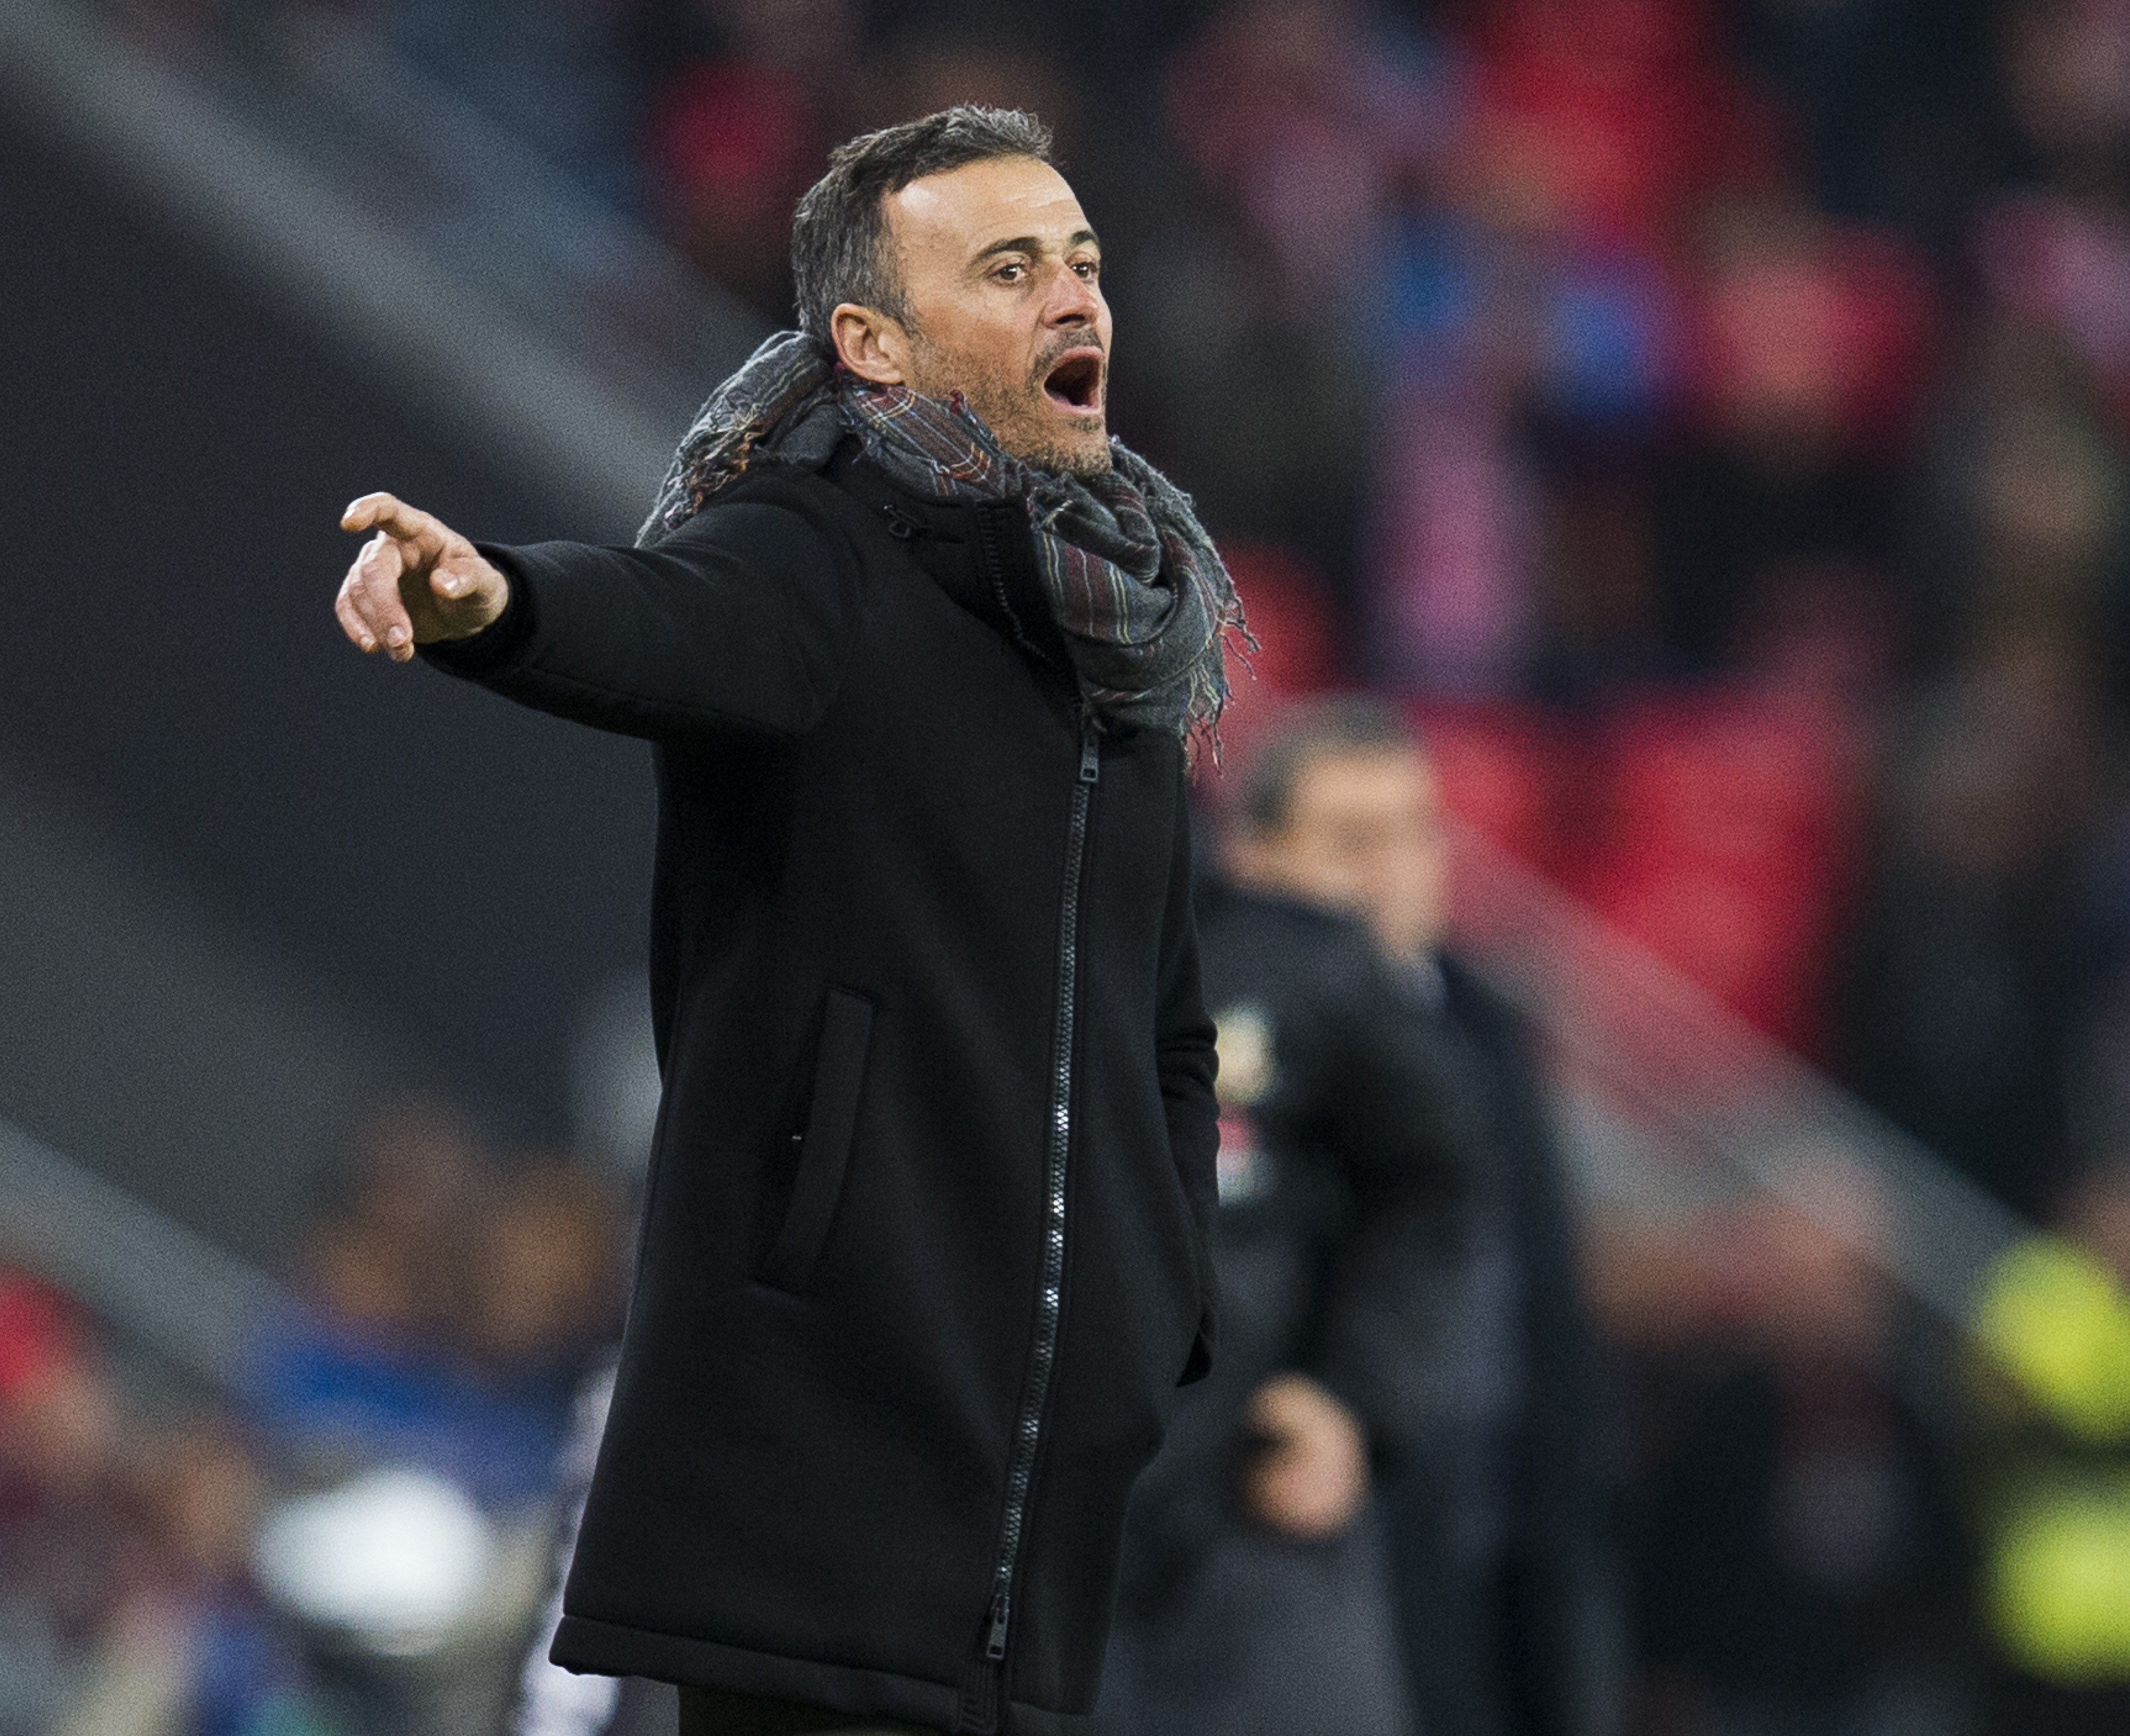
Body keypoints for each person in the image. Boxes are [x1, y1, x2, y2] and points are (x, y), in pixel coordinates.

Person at [329, 106, 1238, 1736]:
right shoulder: (815, 548)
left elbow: (1166, 1025)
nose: (1076, 299)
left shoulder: (1118, 646)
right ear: (873, 344)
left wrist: (1152, 1292)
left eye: (1085, 263)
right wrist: (495, 604)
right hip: (820, 1470)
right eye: (1012, 268)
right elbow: (657, 620)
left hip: (1031, 1507)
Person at [1220, 697, 1621, 1736]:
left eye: (1414, 831)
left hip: (1489, 1543)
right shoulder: (1220, 1039)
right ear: (1256, 858)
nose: (1389, 868)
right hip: (1292, 1543)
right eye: (1351, 839)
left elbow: (1540, 1296)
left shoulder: (1487, 1025)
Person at [1090, 855, 1476, 1736]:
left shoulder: (1305, 962)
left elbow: (1433, 1180)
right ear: (1266, 837)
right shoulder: (1013, 925)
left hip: (1245, 1509)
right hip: (1042, 1527)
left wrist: (1352, 1398)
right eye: (1344, 836)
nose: (1367, 875)